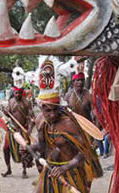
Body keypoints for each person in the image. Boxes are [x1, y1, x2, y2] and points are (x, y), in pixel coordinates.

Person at [28, 57, 102, 193]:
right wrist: (30, 148)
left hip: (70, 172)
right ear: (41, 108)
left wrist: (66, 167)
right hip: (50, 170)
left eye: (55, 109)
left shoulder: (68, 123)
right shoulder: (40, 120)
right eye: (47, 111)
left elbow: (85, 152)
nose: (52, 114)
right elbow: (43, 146)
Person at [1, 86, 35, 179]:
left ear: (22, 92)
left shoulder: (27, 102)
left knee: (24, 150)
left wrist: (30, 129)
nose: (18, 95)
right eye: (16, 93)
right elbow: (8, 113)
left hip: (23, 129)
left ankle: (24, 170)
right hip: (12, 129)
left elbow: (32, 117)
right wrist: (5, 111)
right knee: (5, 149)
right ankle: (8, 169)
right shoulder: (11, 101)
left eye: (19, 93)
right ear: (14, 92)